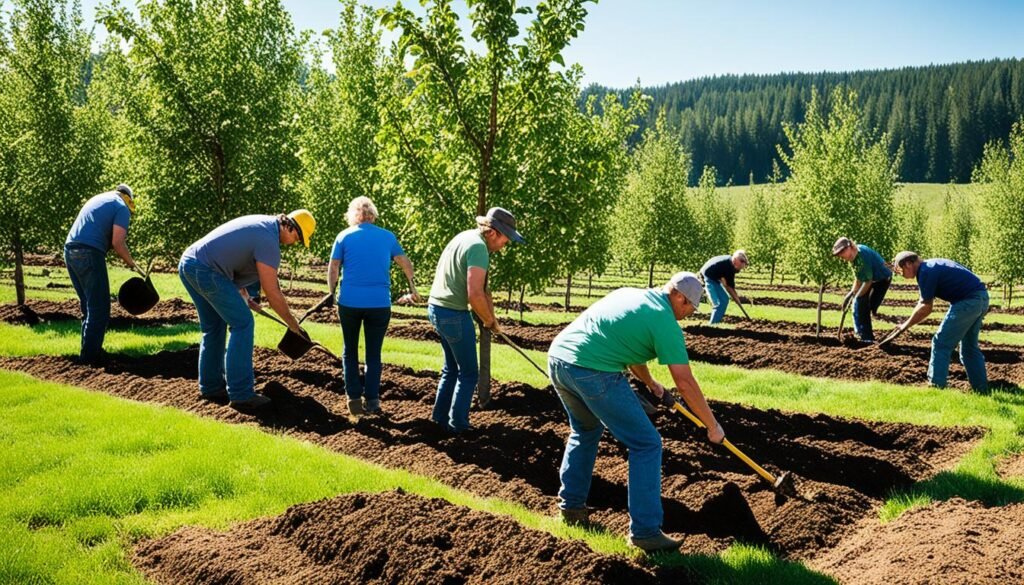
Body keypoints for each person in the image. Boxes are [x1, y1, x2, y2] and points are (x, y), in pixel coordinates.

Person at [548, 272, 726, 553]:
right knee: (646, 444)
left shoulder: (632, 295)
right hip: (592, 371)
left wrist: (651, 383)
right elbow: (685, 382)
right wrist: (712, 426)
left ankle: (570, 508)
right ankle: (645, 532)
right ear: (678, 297)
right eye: (691, 306)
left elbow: (629, 350)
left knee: (585, 430)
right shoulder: (665, 321)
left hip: (559, 359)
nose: (691, 312)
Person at [178, 210, 315, 409]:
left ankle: (211, 387)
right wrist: (294, 326)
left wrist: (243, 294)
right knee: (243, 323)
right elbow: (272, 293)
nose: (294, 243)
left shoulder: (263, 226)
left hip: (190, 263)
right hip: (205, 270)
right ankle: (241, 394)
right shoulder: (269, 241)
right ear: (290, 226)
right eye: (297, 237)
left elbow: (233, 258)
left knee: (214, 327)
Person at [427, 207, 524, 434]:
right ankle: (458, 426)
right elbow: (474, 294)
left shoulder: (464, 237)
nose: (504, 245)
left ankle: (439, 420)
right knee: (469, 373)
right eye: (505, 239)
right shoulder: (479, 248)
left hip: (436, 308)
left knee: (451, 369)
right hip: (453, 313)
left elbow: (484, 290)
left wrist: (492, 318)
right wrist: (488, 321)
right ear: (492, 232)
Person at [327, 197, 420, 416]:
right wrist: (412, 286)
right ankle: (373, 400)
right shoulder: (387, 237)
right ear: (373, 216)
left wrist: (330, 294)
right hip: (379, 304)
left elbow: (333, 268)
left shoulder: (343, 236)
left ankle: (353, 399)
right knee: (373, 354)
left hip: (349, 302)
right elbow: (405, 263)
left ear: (353, 216)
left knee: (349, 351)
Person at [64, 184, 141, 365]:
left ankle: (89, 352)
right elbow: (118, 242)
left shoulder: (100, 199)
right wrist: (132, 264)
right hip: (89, 252)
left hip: (70, 250)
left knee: (88, 305)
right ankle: (91, 359)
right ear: (128, 198)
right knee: (99, 308)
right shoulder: (122, 207)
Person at [890, 252, 989, 391]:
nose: (900, 274)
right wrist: (905, 324)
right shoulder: (930, 265)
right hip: (982, 298)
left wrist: (905, 325)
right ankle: (981, 388)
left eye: (900, 270)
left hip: (968, 302)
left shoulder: (925, 272)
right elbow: (923, 303)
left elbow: (926, 307)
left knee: (941, 343)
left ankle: (936, 386)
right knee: (969, 348)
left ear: (908, 264)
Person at [832, 237, 893, 342]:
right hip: (873, 279)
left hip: (882, 280)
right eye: (838, 254)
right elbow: (859, 279)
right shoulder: (852, 258)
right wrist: (851, 294)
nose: (840, 256)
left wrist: (856, 298)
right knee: (860, 304)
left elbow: (867, 281)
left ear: (849, 247)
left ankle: (864, 338)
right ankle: (865, 336)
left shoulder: (862, 256)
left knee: (860, 304)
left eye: (842, 252)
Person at [700, 250, 748, 324]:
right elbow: (729, 287)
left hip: (715, 278)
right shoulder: (728, 267)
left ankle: (715, 324)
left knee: (724, 299)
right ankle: (712, 325)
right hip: (707, 277)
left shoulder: (730, 263)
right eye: (739, 268)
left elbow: (727, 284)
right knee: (718, 302)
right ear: (735, 261)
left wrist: (736, 298)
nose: (739, 270)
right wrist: (736, 299)